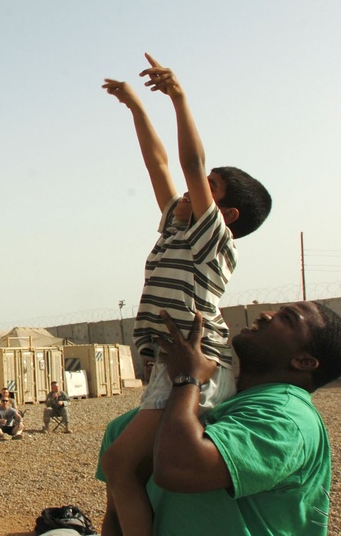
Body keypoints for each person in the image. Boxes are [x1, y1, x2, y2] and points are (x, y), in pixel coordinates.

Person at [99, 53, 272, 536]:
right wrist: (135, 105)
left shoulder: (212, 237)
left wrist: (179, 97)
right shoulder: (177, 227)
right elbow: (159, 164)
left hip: (197, 363)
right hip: (172, 363)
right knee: (124, 467)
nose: (194, 186)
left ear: (226, 214)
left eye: (209, 187)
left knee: (118, 463)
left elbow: (188, 161)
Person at [98, 302, 341, 536]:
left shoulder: (287, 418)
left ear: (303, 362)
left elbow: (180, 468)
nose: (265, 315)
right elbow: (116, 517)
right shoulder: (132, 427)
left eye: (286, 318)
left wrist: (187, 379)